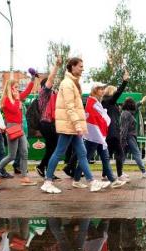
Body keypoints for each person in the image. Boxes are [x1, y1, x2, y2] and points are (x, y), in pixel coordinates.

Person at [40, 57, 106, 194]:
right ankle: (47, 182)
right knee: (59, 153)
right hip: (69, 126)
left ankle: (91, 181)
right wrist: (77, 125)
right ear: (73, 67)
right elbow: (70, 107)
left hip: (72, 126)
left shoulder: (72, 83)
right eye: (80, 66)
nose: (83, 68)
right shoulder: (67, 84)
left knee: (82, 153)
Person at [73, 83, 126, 188]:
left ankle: (113, 180)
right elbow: (93, 119)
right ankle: (77, 180)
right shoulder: (92, 102)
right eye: (100, 89)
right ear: (95, 90)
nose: (102, 90)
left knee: (104, 157)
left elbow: (99, 117)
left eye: (103, 89)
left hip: (98, 134)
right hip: (94, 135)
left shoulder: (96, 102)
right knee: (87, 157)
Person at [0, 75, 37, 187]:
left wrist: (32, 80)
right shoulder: (6, 100)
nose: (17, 89)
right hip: (12, 127)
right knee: (11, 155)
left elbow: (27, 91)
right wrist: (17, 99)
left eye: (17, 87)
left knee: (24, 152)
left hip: (19, 127)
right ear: (10, 88)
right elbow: (15, 111)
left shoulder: (17, 98)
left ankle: (24, 177)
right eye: (15, 87)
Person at [35, 56, 62, 179]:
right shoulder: (44, 93)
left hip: (50, 123)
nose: (53, 85)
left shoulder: (52, 95)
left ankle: (46, 169)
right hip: (46, 123)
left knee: (53, 148)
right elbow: (51, 79)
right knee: (54, 148)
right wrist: (56, 66)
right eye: (51, 84)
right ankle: (44, 168)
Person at [101, 70, 131, 180]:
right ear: (111, 92)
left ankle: (105, 174)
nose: (116, 94)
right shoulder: (110, 101)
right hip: (113, 132)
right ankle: (120, 174)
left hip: (107, 132)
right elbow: (118, 93)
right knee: (120, 153)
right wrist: (124, 81)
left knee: (108, 154)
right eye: (114, 92)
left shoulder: (105, 102)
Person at [120, 98, 146, 178]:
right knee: (137, 153)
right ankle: (144, 171)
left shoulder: (126, 113)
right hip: (129, 137)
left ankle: (120, 172)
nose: (134, 106)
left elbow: (124, 128)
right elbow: (124, 128)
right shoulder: (127, 114)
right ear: (130, 105)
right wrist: (124, 139)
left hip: (128, 137)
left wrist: (141, 102)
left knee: (124, 155)